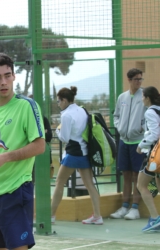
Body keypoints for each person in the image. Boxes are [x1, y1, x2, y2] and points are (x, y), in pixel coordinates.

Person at [0, 53, 45, 250]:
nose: (3, 81)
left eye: (8, 75)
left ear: (14, 76)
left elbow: (39, 146)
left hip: (15, 191)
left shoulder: (27, 106)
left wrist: (5, 158)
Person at [51, 86, 102, 225]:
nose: (58, 104)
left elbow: (65, 138)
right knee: (90, 185)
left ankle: (51, 217)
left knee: (59, 183)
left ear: (65, 100)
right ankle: (98, 216)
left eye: (58, 101)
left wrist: (57, 130)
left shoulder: (66, 115)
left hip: (73, 154)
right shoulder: (82, 110)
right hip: (85, 152)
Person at [110, 68, 148, 220]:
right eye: (136, 79)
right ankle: (124, 207)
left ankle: (135, 208)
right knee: (125, 174)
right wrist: (119, 126)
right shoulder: (122, 97)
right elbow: (116, 116)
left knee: (136, 176)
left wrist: (141, 128)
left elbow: (150, 115)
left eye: (141, 79)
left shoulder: (145, 96)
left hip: (139, 142)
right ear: (129, 80)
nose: (139, 82)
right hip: (124, 142)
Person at [136, 86, 160, 232]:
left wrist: (141, 145)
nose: (141, 98)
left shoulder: (150, 112)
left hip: (154, 154)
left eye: (143, 96)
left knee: (141, 185)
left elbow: (155, 133)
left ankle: (155, 218)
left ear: (147, 98)